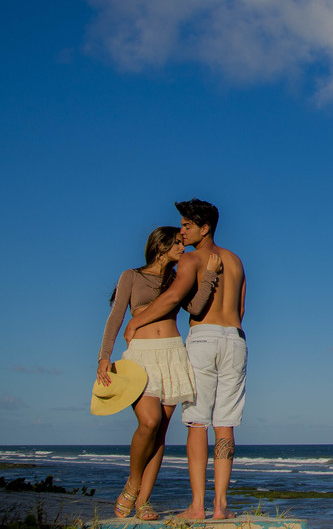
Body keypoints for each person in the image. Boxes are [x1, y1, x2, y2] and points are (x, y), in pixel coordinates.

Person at [126, 198, 246, 521]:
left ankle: (197, 506)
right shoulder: (235, 261)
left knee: (197, 422)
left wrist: (137, 321)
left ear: (204, 229)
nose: (181, 232)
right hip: (235, 341)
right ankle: (221, 507)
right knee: (225, 425)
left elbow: (173, 298)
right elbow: (242, 311)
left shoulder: (192, 260)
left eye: (187, 226)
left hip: (204, 338)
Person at [97, 226, 220, 520]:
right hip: (141, 355)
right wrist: (104, 357)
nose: (183, 247)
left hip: (172, 354)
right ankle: (133, 483)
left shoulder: (178, 277)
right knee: (149, 422)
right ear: (161, 246)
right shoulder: (132, 276)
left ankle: (143, 502)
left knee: (160, 432)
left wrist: (210, 276)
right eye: (178, 243)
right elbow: (115, 317)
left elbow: (195, 307)